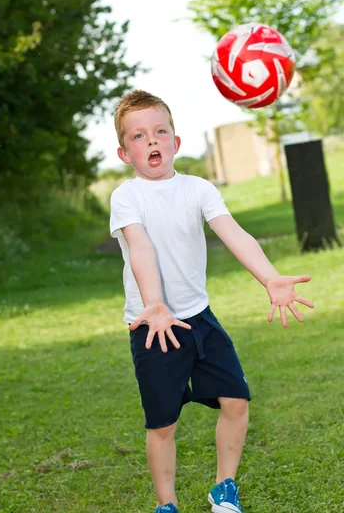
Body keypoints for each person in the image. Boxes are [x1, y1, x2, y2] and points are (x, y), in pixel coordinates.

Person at [109, 89, 314, 513]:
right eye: (139, 136)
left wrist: (270, 277)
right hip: (154, 325)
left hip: (199, 319)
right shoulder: (127, 197)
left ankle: (224, 488)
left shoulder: (197, 189)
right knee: (163, 423)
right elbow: (141, 247)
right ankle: (167, 504)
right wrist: (156, 302)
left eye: (160, 131)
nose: (151, 141)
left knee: (236, 401)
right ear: (124, 152)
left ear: (175, 142)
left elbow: (234, 232)